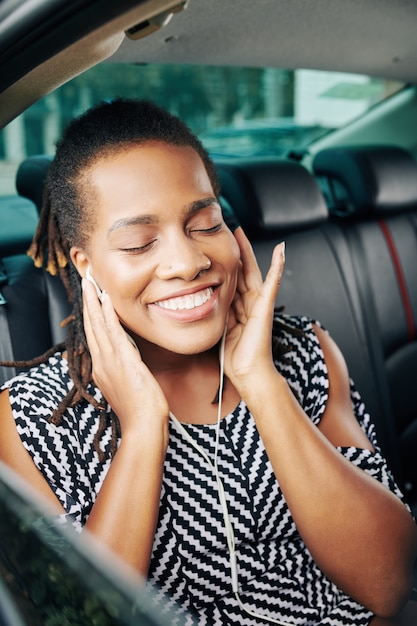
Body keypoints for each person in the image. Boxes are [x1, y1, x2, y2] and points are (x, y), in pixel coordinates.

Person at [0, 99, 416, 626]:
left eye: (205, 223)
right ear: (85, 265)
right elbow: (80, 618)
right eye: (138, 242)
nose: (188, 262)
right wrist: (144, 428)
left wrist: (261, 382)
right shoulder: (30, 419)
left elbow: (388, 583)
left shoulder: (304, 351)